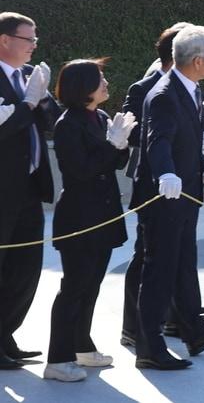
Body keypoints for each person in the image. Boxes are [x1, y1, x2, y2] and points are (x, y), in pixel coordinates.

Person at [132, 24, 204, 370]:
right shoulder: (164, 94)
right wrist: (165, 173)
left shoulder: (190, 89)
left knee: (182, 262)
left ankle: (194, 328)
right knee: (159, 269)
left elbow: (188, 139)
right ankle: (149, 345)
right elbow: (157, 140)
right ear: (196, 60)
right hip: (165, 196)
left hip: (186, 192)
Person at [44, 60, 135, 382]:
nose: (106, 83)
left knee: (91, 285)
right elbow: (80, 170)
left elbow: (114, 162)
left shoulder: (101, 116)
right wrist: (112, 145)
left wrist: (121, 143)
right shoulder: (68, 123)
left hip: (104, 214)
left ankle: (82, 346)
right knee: (74, 287)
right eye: (100, 79)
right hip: (79, 217)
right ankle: (57, 358)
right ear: (83, 86)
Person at [0, 12, 57, 369]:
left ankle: (6, 334)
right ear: (5, 40)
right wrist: (27, 104)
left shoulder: (26, 77)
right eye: (28, 39)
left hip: (30, 188)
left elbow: (50, 122)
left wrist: (44, 98)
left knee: (25, 268)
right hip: (3, 188)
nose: (34, 46)